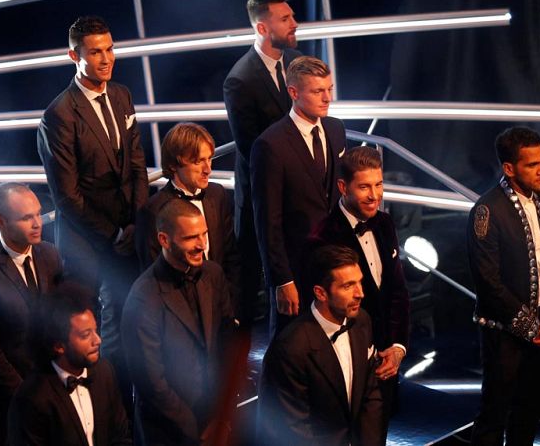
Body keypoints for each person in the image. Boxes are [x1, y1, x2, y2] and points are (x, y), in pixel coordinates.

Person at [37, 15, 148, 411]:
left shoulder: (122, 95)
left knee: (132, 325)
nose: (107, 58)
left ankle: (130, 412)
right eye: (96, 52)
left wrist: (136, 222)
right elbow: (66, 196)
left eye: (110, 49)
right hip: (87, 241)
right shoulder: (59, 114)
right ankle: (101, 414)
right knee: (91, 335)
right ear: (74, 56)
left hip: (128, 233)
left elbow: (137, 164)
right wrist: (113, 234)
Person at [467, 127, 540, 445]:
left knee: (530, 412)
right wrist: (530, 327)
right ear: (509, 169)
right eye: (532, 164)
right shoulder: (487, 210)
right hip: (502, 331)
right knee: (494, 415)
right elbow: (488, 281)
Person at [308, 146, 411, 424]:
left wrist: (397, 347)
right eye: (364, 187)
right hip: (345, 365)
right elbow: (325, 311)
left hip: (386, 361)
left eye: (379, 184)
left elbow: (398, 291)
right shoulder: (323, 236)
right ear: (343, 187)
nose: (375, 195)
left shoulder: (385, 223)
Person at [122, 199, 236, 445]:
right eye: (191, 238)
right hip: (167, 430)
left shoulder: (214, 274)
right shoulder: (143, 297)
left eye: (204, 234)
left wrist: (221, 415)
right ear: (164, 240)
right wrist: (194, 432)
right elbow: (151, 383)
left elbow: (226, 344)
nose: (202, 245)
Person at [0, 182, 63, 445]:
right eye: (26, 218)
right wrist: (27, 396)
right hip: (5, 406)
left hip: (51, 392)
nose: (37, 223)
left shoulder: (50, 255)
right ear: (0, 221)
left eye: (38, 213)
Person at [250, 55, 346, 338]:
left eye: (329, 89)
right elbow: (267, 221)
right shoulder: (270, 144)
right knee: (291, 343)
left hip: (335, 264)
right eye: (318, 91)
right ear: (293, 92)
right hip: (296, 268)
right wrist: (282, 280)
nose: (327, 98)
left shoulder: (335, 129)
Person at [258, 245, 384, 445]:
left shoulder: (362, 321)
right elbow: (292, 429)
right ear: (321, 293)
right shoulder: (290, 349)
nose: (360, 293)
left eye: (359, 282)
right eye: (348, 286)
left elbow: (370, 396)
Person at [223, 0, 300, 325]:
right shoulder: (239, 80)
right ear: (262, 28)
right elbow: (251, 149)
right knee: (252, 288)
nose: (294, 23)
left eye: (292, 16)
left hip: (297, 195)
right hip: (260, 198)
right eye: (285, 19)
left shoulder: (297, 63)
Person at [135, 122, 241, 313]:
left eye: (209, 159)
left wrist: (230, 306)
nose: (208, 169)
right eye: (198, 161)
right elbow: (154, 276)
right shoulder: (152, 211)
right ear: (174, 164)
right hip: (179, 312)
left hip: (221, 305)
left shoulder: (218, 195)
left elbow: (231, 256)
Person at [8, 284, 130, 446]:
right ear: (59, 345)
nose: (98, 340)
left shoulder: (105, 372)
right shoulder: (32, 398)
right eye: (86, 335)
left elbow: (121, 437)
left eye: (95, 330)